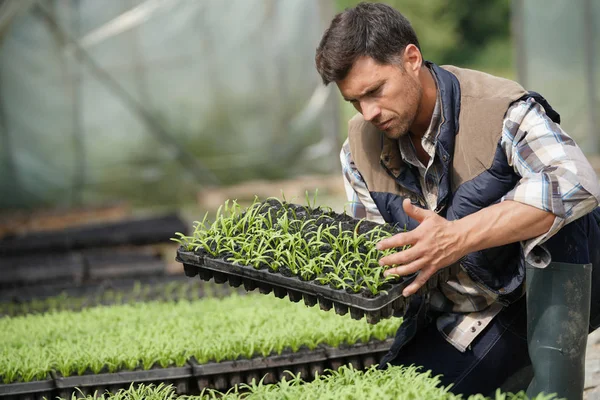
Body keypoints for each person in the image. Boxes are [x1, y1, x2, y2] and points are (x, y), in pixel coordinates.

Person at [315, 2, 600, 399]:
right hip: (462, 311)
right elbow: (379, 252)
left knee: (570, 216)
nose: (370, 112)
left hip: (533, 288)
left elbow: (576, 181)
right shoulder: (358, 149)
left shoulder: (500, 108)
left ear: (411, 59)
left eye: (375, 91)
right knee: (397, 390)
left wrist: (458, 236)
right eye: (354, 102)